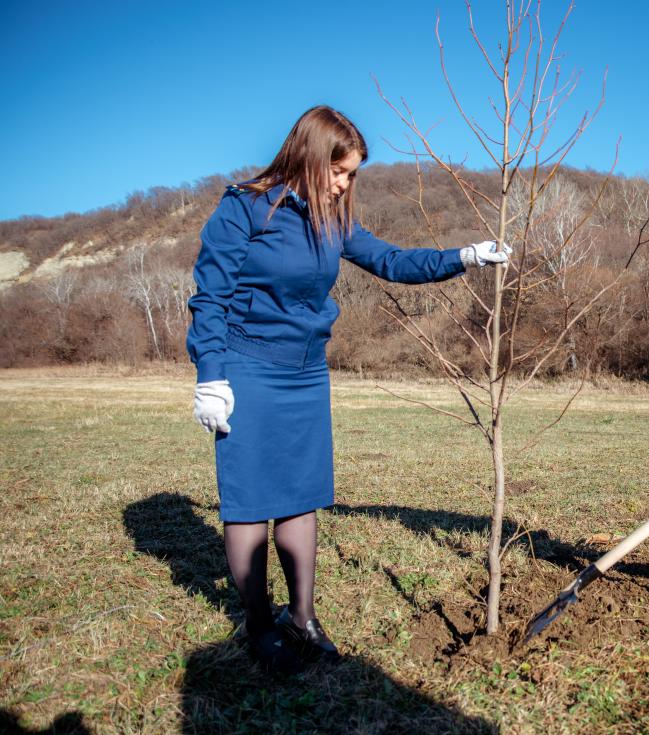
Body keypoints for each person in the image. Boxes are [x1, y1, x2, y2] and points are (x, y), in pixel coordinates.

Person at [186, 105, 510, 673]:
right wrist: (210, 375)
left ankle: (302, 616)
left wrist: (463, 257)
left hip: (307, 371)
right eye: (340, 172)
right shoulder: (244, 209)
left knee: (300, 493)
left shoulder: (332, 220)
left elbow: (390, 260)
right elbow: (209, 297)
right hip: (249, 367)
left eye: (352, 174)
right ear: (310, 158)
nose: (345, 184)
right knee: (251, 499)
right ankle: (260, 625)